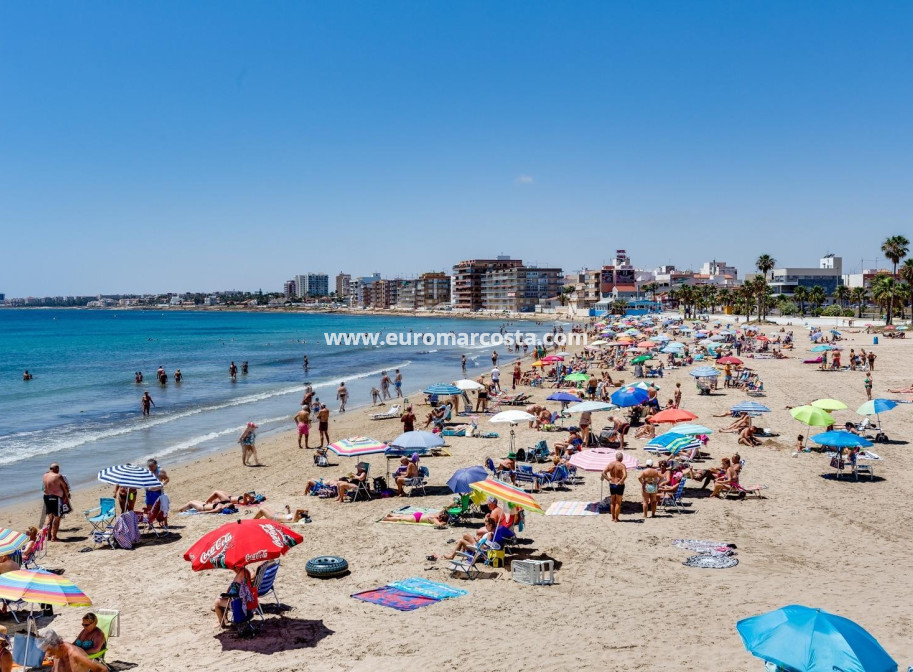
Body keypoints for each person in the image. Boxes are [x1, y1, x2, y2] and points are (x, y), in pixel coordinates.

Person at [36, 629, 108, 672]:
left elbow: (102, 670)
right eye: (45, 651)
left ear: (56, 645)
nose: (47, 654)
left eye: (50, 651)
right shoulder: (57, 652)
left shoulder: (75, 654)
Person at [42, 463, 69, 542]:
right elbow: (65, 486)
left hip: (46, 497)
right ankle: (54, 537)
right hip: (55, 498)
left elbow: (44, 487)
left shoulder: (45, 475)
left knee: (50, 517)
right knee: (57, 517)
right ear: (56, 469)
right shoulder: (58, 476)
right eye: (58, 469)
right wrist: (66, 496)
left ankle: (48, 536)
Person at [601, 451, 627, 522]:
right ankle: (616, 518)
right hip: (619, 485)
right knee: (618, 502)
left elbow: (603, 472)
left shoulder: (611, 464)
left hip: (612, 484)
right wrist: (621, 481)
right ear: (622, 459)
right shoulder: (622, 465)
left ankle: (613, 517)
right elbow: (625, 475)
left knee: (612, 502)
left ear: (616, 458)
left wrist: (608, 479)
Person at [177, 491, 259, 513]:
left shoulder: (220, 508)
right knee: (192, 501)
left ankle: (180, 510)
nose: (227, 505)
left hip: (202, 508)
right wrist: (252, 498)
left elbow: (245, 494)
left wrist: (201, 513)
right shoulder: (222, 506)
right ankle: (181, 509)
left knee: (190, 502)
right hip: (204, 506)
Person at [383, 509, 450, 527]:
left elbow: (442, 511)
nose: (439, 516)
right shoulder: (434, 519)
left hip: (419, 515)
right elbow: (439, 525)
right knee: (401, 519)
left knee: (402, 516)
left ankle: (391, 515)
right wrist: (445, 523)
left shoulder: (436, 515)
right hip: (417, 518)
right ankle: (387, 519)